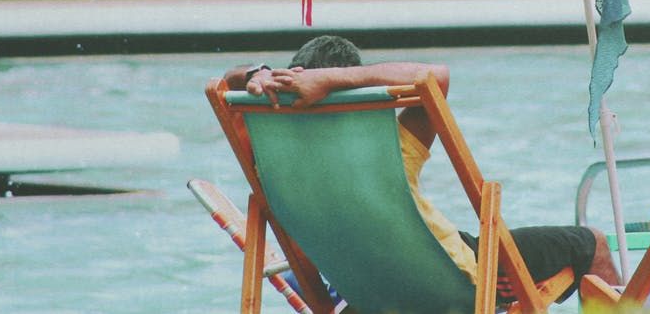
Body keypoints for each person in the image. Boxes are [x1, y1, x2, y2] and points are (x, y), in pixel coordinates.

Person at [224, 36, 620, 305]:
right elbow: (436, 77)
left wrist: (260, 72)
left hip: (366, 289)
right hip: (454, 279)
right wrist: (335, 80)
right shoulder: (389, 152)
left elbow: (225, 81)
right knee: (593, 242)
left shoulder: (269, 160)